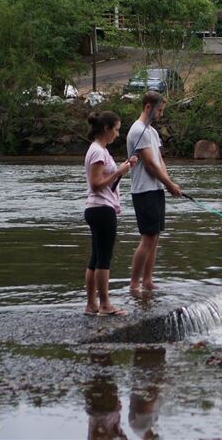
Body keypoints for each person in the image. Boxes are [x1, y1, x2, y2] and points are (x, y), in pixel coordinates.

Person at [83, 111, 138, 317]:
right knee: (103, 258)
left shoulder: (98, 150)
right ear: (106, 129)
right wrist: (119, 172)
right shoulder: (98, 152)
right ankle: (105, 305)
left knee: (95, 258)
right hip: (102, 209)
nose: (117, 134)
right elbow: (96, 185)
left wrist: (124, 167)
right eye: (116, 130)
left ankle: (91, 305)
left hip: (96, 208)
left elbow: (105, 182)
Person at [128, 91, 182, 293]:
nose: (161, 114)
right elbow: (150, 164)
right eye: (159, 110)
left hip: (156, 188)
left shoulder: (152, 132)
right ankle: (134, 284)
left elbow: (160, 161)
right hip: (144, 191)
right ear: (148, 107)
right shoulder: (137, 130)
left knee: (155, 237)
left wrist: (168, 182)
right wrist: (169, 184)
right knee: (148, 238)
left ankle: (147, 280)